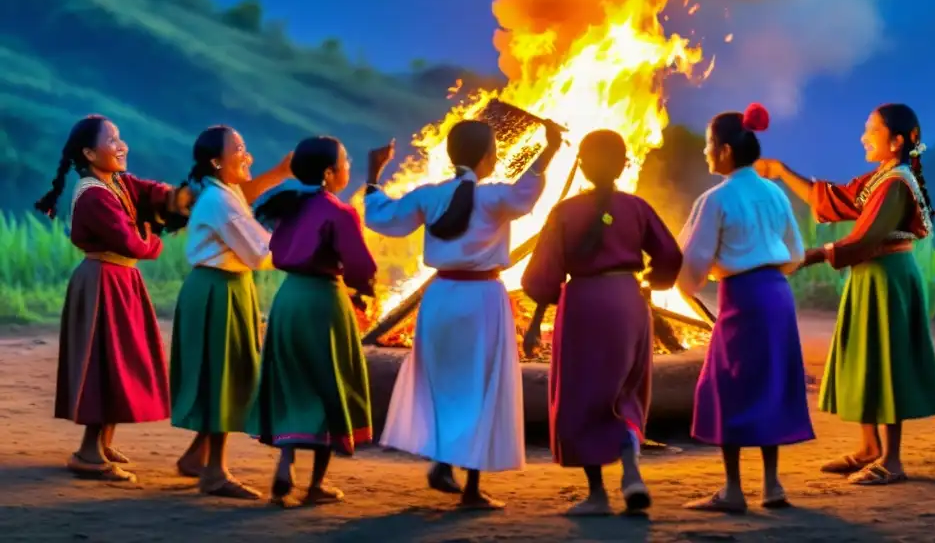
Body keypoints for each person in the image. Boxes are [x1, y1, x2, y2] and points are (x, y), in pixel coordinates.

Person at [363, 118, 562, 510]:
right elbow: (527, 192)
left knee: (444, 382)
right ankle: (471, 488)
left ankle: (442, 463)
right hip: (483, 299)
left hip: (441, 299)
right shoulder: (494, 198)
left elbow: (382, 216)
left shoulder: (429, 196)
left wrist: (374, 174)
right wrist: (549, 149)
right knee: (480, 387)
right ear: (488, 158)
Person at [755, 103, 935, 487]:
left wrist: (810, 256)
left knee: (889, 361)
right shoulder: (882, 179)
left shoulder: (896, 184)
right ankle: (869, 448)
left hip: (888, 278)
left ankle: (892, 460)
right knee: (866, 354)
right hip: (870, 276)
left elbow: (866, 238)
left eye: (871, 131)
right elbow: (832, 199)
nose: (863, 137)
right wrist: (779, 172)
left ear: (895, 141)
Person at [520, 129, 682, 516]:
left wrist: (534, 324)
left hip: (583, 305)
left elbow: (544, 278)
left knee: (582, 395)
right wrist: (648, 283)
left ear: (582, 164)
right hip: (627, 302)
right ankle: (631, 471)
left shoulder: (565, 212)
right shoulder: (637, 208)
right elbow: (670, 256)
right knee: (625, 388)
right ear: (624, 164)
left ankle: (596, 495)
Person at [34, 115, 193, 482]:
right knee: (106, 364)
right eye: (112, 140)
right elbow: (131, 242)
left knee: (119, 360)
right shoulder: (92, 195)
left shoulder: (116, 182)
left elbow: (148, 191)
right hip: (104, 280)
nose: (122, 146)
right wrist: (154, 236)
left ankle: (103, 443)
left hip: (121, 280)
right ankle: (88, 453)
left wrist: (178, 198)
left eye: (121, 138)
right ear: (89, 153)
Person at [676, 104, 814, 514]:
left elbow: (693, 261)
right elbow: (795, 253)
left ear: (723, 151)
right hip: (777, 294)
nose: (705, 153)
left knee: (726, 384)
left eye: (707, 146)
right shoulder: (774, 192)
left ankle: (733, 489)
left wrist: (686, 285)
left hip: (742, 297)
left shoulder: (715, 199)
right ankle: (772, 485)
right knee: (769, 381)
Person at [247, 136, 378, 507]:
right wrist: (365, 289)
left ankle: (286, 464)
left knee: (293, 380)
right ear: (328, 173)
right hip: (324, 301)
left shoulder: (287, 205)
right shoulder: (338, 212)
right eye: (345, 162)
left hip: (288, 300)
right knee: (329, 382)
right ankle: (316, 484)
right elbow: (360, 265)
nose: (348, 168)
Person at [170, 126, 292, 499]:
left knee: (223, 371)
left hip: (226, 288)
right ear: (217, 161)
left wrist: (281, 172)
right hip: (217, 291)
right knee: (222, 374)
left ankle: (197, 457)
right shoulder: (220, 201)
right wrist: (304, 237)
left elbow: (245, 198)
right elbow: (258, 253)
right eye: (239, 149)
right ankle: (214, 472)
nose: (247, 155)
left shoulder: (222, 192)